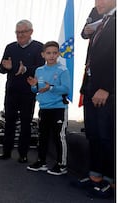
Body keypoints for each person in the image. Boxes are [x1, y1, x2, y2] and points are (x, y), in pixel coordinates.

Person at [75, 0, 116, 199]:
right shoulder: (97, 12)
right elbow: (84, 34)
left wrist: (107, 87)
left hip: (106, 88)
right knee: (93, 134)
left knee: (108, 137)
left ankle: (112, 182)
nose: (98, 2)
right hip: (90, 84)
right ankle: (95, 177)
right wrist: (89, 29)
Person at [0, 20, 45, 163]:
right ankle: (6, 151)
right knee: (9, 122)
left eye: (23, 32)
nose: (20, 35)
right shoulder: (10, 47)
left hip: (28, 92)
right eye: (17, 32)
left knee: (26, 123)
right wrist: (6, 67)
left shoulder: (39, 47)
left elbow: (41, 69)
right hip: (11, 90)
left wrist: (25, 70)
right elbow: (1, 69)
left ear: (31, 32)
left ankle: (23, 154)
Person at [26, 41, 70, 176]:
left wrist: (50, 87)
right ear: (43, 54)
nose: (51, 56)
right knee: (42, 136)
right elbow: (37, 89)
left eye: (54, 53)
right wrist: (33, 86)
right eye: (48, 53)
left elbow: (66, 89)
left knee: (59, 137)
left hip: (58, 108)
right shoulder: (39, 70)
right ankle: (42, 161)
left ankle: (62, 165)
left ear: (58, 54)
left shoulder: (63, 70)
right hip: (44, 108)